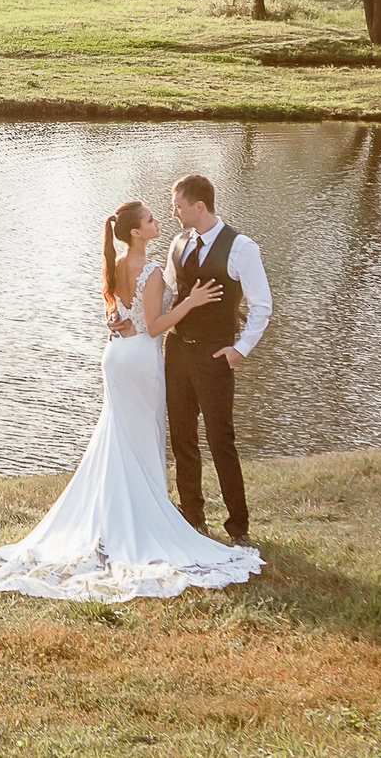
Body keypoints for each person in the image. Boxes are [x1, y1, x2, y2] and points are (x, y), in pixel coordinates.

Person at [0, 198, 262, 602]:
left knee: (118, 437)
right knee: (140, 437)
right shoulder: (152, 271)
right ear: (136, 233)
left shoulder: (115, 265)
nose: (157, 220)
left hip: (117, 355)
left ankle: (118, 515)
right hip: (140, 359)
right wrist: (192, 303)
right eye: (149, 219)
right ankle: (141, 519)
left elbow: (122, 317)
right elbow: (154, 326)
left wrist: (126, 320)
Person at [163, 171, 271, 543]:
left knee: (220, 439)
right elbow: (168, 295)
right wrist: (129, 318)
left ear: (199, 206)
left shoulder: (242, 248)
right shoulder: (177, 243)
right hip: (175, 351)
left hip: (215, 355)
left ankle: (238, 526)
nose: (173, 212)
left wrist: (240, 350)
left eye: (178, 205)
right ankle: (191, 515)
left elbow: (262, 307)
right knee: (181, 437)